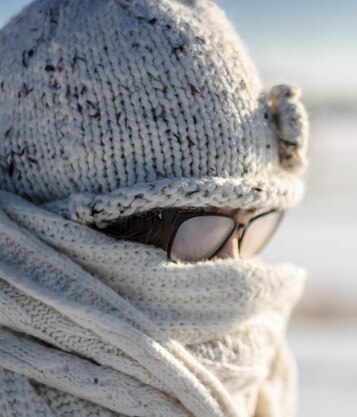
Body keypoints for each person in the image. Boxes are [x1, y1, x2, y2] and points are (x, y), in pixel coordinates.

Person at [0, 1, 309, 416]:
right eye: (203, 230)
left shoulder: (262, 371)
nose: (234, 264)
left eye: (250, 224)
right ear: (66, 237)